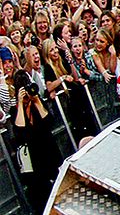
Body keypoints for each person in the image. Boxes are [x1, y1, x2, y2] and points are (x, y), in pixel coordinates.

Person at [11, 70, 62, 214]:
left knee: (57, 195)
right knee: (41, 201)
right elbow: (19, 132)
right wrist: (21, 105)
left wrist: (37, 100)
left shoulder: (38, 102)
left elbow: (49, 122)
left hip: (49, 155)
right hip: (34, 164)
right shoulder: (15, 111)